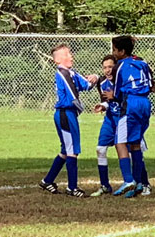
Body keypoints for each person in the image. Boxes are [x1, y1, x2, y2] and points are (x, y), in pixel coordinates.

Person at [39, 44, 98, 198]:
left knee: (66, 150)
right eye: (67, 54)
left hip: (68, 114)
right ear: (58, 60)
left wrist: (95, 78)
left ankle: (47, 181)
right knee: (72, 150)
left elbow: (85, 85)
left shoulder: (71, 73)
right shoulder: (62, 73)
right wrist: (80, 107)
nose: (71, 56)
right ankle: (72, 187)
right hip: (65, 114)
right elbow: (73, 95)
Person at [91, 55, 152, 197]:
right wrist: (103, 105)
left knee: (134, 149)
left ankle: (143, 183)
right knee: (100, 149)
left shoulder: (124, 80)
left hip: (126, 117)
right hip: (111, 120)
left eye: (110, 67)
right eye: (104, 67)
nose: (107, 70)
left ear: (116, 67)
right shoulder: (102, 83)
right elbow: (109, 101)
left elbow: (122, 98)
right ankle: (105, 185)